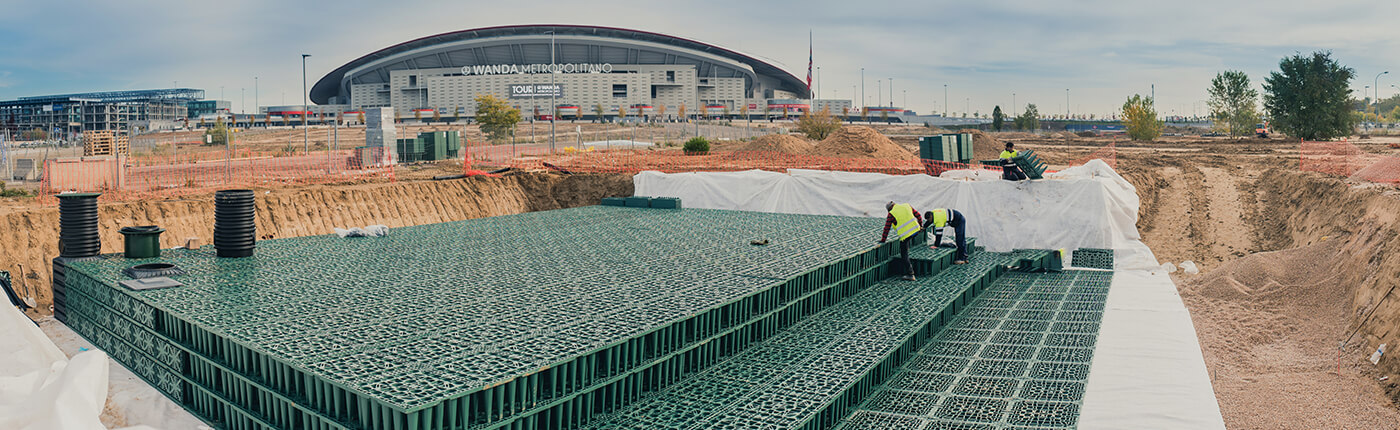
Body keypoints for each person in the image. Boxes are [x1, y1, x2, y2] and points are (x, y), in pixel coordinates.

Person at [879, 201, 923, 281]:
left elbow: (887, 228)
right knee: (907, 243)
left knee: (904, 253)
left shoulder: (891, 214)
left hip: (905, 235)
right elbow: (919, 215)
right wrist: (920, 226)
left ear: (889, 209)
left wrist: (883, 240)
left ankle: (911, 274)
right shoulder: (907, 205)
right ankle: (910, 271)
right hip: (916, 230)